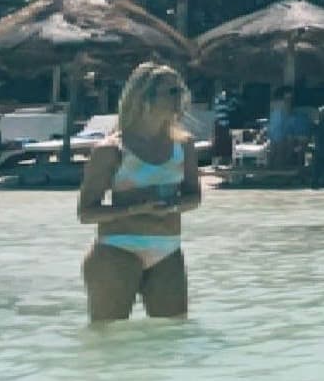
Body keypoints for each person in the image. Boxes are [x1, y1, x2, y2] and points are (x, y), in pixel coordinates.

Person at [77, 62, 202, 321]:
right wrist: (135, 209)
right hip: (117, 250)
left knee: (173, 336)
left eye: (181, 90)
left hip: (168, 250)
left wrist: (173, 206)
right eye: (172, 92)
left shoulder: (184, 145)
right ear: (145, 98)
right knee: (109, 340)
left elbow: (194, 196)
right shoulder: (111, 150)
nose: (181, 98)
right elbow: (86, 213)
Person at [211, 88, 236, 166]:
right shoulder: (219, 99)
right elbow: (229, 108)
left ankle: (226, 161)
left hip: (224, 124)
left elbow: (230, 109)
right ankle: (218, 162)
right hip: (221, 124)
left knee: (226, 142)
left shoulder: (225, 99)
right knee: (220, 143)